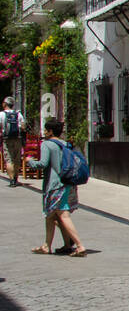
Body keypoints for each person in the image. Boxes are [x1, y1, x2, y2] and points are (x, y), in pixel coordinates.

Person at [27, 119, 86, 257]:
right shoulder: (65, 144)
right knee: (50, 216)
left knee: (63, 215)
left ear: (50, 131)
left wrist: (30, 161)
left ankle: (79, 245)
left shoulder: (47, 144)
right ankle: (47, 246)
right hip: (68, 183)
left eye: (46, 129)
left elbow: (42, 164)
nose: (44, 132)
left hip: (55, 185)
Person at [1, 97, 25, 188]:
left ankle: (11, 181)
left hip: (7, 139)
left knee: (9, 160)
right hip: (18, 139)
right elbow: (23, 127)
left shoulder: (1, 114)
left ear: (5, 104)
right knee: (17, 159)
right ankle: (16, 179)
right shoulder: (18, 114)